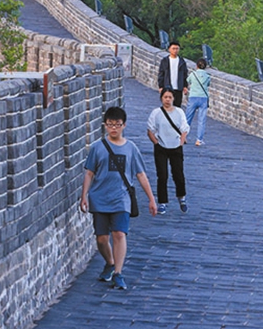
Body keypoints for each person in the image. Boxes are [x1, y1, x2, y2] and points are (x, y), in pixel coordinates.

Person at [79, 106, 157, 291]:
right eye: (110, 124)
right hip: (99, 198)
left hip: (121, 199)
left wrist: (151, 199)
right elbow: (89, 173)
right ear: (105, 125)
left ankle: (118, 273)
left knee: (119, 234)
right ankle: (110, 262)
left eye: (117, 125)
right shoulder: (97, 148)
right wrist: (84, 196)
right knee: (101, 238)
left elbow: (141, 175)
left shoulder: (131, 149)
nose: (114, 128)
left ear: (124, 125)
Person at [146, 88, 189, 214]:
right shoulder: (156, 113)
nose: (168, 99)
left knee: (178, 175)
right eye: (165, 97)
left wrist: (181, 141)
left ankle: (182, 197)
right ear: (161, 98)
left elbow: (184, 128)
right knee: (162, 175)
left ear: (173, 98)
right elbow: (150, 130)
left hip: (176, 147)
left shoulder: (179, 112)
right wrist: (156, 143)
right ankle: (162, 202)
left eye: (170, 97)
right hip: (161, 148)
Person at [184, 58, 211, 146]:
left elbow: (188, 81)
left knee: (188, 118)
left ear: (196, 66)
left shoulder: (193, 74)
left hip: (193, 97)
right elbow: (208, 84)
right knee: (201, 120)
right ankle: (199, 140)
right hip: (203, 98)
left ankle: (183, 137)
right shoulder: (207, 76)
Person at [157, 41, 189, 107]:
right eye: (173, 48)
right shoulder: (165, 61)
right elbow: (161, 74)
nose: (175, 50)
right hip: (167, 87)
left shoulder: (181, 61)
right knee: (167, 105)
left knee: (177, 106)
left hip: (178, 87)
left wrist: (185, 86)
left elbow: (185, 74)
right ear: (169, 49)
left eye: (177, 49)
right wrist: (161, 86)